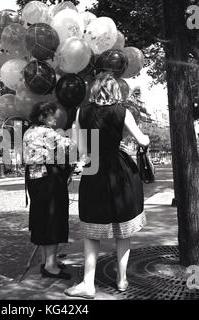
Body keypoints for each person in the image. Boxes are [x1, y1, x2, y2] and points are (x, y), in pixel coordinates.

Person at [65, 73, 150, 299]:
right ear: (115, 90)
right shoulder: (123, 112)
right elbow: (142, 140)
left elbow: (81, 150)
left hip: (94, 171)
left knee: (93, 230)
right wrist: (147, 140)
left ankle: (87, 283)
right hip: (120, 172)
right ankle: (122, 280)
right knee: (122, 230)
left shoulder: (80, 113)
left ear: (94, 90)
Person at [23, 101, 75, 280]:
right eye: (51, 114)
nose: (55, 117)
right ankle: (51, 266)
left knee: (42, 217)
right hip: (49, 179)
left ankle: (46, 261)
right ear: (41, 115)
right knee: (54, 217)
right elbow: (71, 146)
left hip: (34, 179)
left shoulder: (29, 131)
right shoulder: (47, 133)